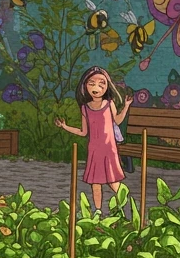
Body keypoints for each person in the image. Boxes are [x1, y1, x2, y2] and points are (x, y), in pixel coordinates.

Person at [55, 65, 132, 214]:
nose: (96, 87)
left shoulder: (109, 104)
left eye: (101, 84)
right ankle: (98, 212)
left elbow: (117, 120)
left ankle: (123, 208)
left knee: (113, 181)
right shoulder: (85, 108)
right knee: (95, 183)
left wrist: (126, 106)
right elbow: (83, 132)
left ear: (107, 87)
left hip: (109, 148)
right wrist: (65, 127)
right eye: (92, 83)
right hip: (94, 150)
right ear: (85, 86)